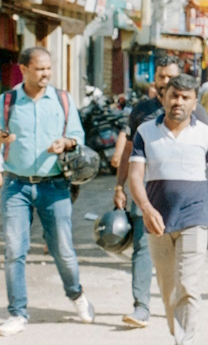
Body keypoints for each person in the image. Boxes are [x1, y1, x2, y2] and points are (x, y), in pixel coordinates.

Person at [112, 54, 208, 328]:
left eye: (172, 77)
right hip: (145, 193)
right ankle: (141, 306)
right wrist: (120, 185)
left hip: (189, 209)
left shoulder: (199, 117)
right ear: (156, 81)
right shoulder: (142, 112)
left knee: (184, 281)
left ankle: (183, 331)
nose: (168, 83)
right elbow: (128, 152)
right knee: (143, 251)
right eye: (163, 78)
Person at [0, 47, 93, 337]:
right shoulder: (7, 101)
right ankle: (17, 313)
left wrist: (65, 143)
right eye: (40, 69)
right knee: (14, 250)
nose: (46, 74)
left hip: (55, 186)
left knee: (63, 250)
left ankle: (76, 295)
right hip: (16, 185)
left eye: (48, 69)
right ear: (23, 69)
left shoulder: (62, 100)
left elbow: (77, 136)